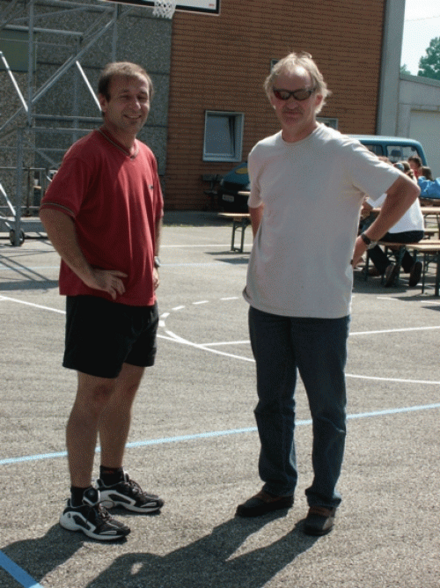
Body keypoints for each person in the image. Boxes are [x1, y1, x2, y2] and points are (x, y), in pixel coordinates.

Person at [235, 52, 420, 536]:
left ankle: (322, 501)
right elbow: (259, 209)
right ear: (270, 95)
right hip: (267, 303)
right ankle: (277, 486)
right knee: (271, 404)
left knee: (326, 410)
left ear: (318, 97)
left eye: (300, 94)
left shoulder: (341, 150)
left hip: (322, 307)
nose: (290, 102)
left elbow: (404, 190)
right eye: (281, 93)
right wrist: (264, 257)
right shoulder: (262, 152)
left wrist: (366, 240)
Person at [39, 62, 164, 541]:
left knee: (124, 393)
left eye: (142, 96)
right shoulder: (86, 153)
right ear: (104, 103)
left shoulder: (146, 156)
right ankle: (78, 502)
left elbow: (153, 215)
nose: (135, 105)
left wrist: (155, 263)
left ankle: (112, 483)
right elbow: (53, 211)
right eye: (125, 97)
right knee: (93, 397)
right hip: (98, 301)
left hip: (140, 299)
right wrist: (86, 271)